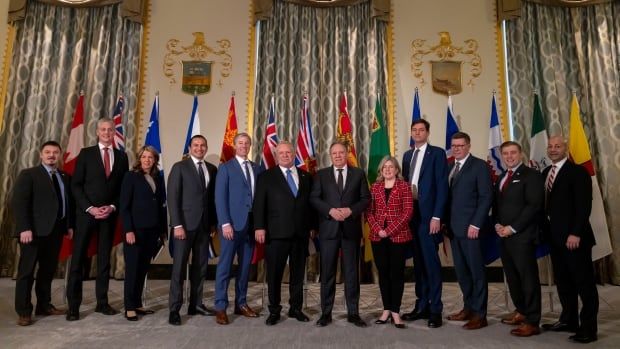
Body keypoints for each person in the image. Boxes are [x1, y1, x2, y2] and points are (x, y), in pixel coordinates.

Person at [67, 118, 129, 321]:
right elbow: (76, 185)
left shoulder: (122, 157)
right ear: (97, 132)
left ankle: (102, 303)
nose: (107, 132)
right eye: (103, 129)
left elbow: (123, 189)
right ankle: (73, 307)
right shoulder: (85, 154)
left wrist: (111, 207)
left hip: (108, 216)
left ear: (114, 133)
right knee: (77, 261)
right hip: (86, 216)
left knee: (104, 261)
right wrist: (90, 208)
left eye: (110, 130)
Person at [541, 136, 598, 343]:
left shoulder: (577, 172)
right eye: (550, 146)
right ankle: (569, 320)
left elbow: (584, 206)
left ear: (566, 148)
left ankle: (589, 329)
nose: (553, 149)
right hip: (554, 240)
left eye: (558, 146)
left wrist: (576, 233)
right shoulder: (546, 172)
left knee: (584, 284)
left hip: (575, 239)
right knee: (564, 283)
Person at [12, 141, 74, 326]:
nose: (51, 155)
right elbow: (19, 203)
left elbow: (67, 203)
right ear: (41, 154)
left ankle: (44, 305)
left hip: (55, 231)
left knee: (47, 271)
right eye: (47, 152)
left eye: (55, 152)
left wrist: (68, 225)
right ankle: (24, 311)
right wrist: (24, 228)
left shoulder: (64, 176)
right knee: (27, 272)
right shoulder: (29, 174)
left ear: (60, 155)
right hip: (33, 232)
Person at [253, 141, 315, 326]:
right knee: (274, 274)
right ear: (276, 155)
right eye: (281, 153)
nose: (285, 155)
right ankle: (274, 310)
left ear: (294, 153)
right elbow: (259, 205)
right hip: (275, 234)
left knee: (297, 274)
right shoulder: (266, 176)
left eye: (288, 152)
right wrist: (259, 227)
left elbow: (310, 206)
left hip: (300, 234)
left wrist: (312, 226)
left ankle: (296, 308)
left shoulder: (306, 176)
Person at [310, 141, 371, 328]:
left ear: (347, 154)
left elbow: (366, 199)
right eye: (334, 153)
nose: (337, 156)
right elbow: (314, 198)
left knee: (351, 273)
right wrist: (330, 211)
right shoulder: (321, 175)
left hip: (350, 230)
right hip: (329, 230)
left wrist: (351, 211)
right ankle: (326, 313)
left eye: (341, 152)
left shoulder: (358, 174)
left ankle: (353, 313)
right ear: (331, 156)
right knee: (327, 273)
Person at [400, 119, 448, 328]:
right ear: (411, 133)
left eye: (421, 130)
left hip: (429, 217)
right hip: (412, 215)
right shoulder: (407, 155)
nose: (417, 133)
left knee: (431, 263)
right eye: (414, 130)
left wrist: (437, 217)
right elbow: (403, 186)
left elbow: (442, 187)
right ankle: (421, 305)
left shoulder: (437, 154)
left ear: (428, 132)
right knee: (418, 263)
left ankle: (435, 308)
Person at [493, 141, 544, 337]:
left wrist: (512, 228)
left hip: (522, 236)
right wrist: (497, 225)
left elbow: (533, 206)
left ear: (520, 154)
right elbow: (497, 206)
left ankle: (532, 320)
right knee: (513, 278)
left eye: (513, 153)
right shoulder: (501, 177)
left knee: (528, 278)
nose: (509, 156)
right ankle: (521, 311)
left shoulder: (532, 175)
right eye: (505, 153)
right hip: (503, 236)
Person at [167, 135, 217, 325]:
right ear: (190, 147)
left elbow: (210, 200)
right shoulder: (180, 167)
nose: (199, 148)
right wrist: (177, 225)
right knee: (179, 268)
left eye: (202, 145)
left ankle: (196, 304)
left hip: (204, 227)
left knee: (201, 268)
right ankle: (174, 309)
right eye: (196, 145)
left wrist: (212, 223)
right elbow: (173, 197)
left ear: (206, 148)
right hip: (184, 227)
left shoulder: (211, 169)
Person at [444, 132, 493, 330]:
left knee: (476, 272)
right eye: (454, 145)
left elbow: (486, 197)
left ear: (468, 146)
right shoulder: (450, 167)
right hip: (454, 230)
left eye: (460, 145)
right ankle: (469, 308)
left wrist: (476, 224)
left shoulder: (479, 166)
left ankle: (480, 314)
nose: (457, 148)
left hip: (472, 229)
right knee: (462, 273)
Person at [213, 133, 262, 325]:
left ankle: (241, 303)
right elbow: (220, 197)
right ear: (234, 145)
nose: (243, 146)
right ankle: (220, 307)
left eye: (247, 143)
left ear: (250, 146)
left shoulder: (257, 168)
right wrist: (225, 223)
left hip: (250, 227)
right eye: (240, 143)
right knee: (225, 267)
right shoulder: (225, 168)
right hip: (231, 226)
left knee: (244, 269)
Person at [119, 146, 167, 321]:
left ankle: (137, 303)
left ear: (155, 160)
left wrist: (162, 231)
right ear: (139, 159)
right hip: (135, 231)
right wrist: (128, 230)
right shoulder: (130, 177)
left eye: (150, 157)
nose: (147, 160)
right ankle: (129, 306)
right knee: (132, 269)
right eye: (144, 157)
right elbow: (124, 207)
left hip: (152, 230)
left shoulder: (157, 178)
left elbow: (161, 205)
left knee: (142, 269)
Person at [365, 156, 413, 329]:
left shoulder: (404, 187)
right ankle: (386, 309)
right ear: (381, 170)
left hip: (398, 237)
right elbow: (369, 212)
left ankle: (395, 311)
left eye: (390, 167)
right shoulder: (375, 187)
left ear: (397, 169)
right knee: (383, 273)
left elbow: (407, 213)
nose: (387, 169)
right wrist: (378, 229)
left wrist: (389, 230)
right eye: (384, 167)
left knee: (396, 274)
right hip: (378, 237)